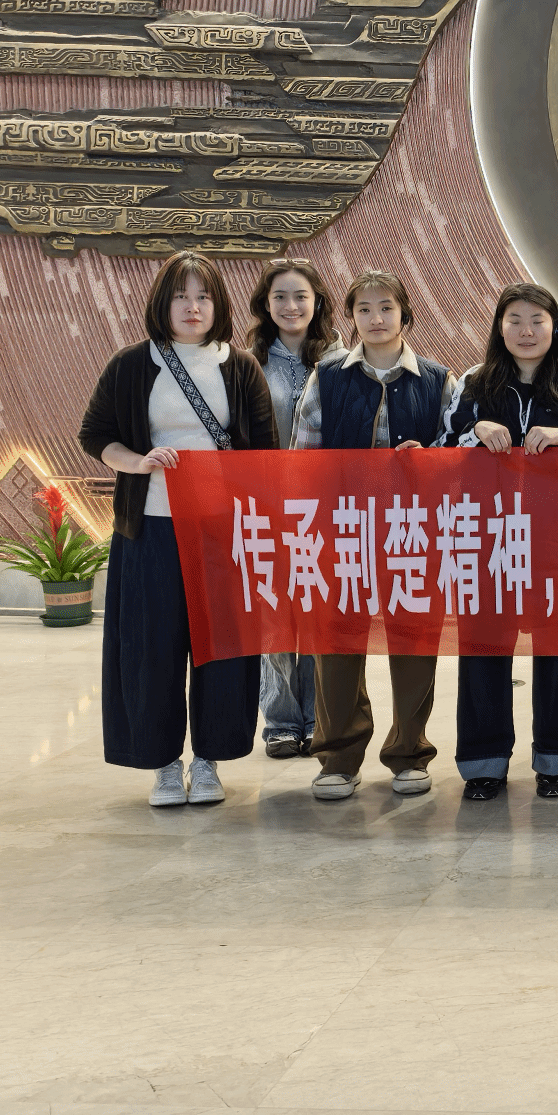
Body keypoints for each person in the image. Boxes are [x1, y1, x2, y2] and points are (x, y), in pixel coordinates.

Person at [79, 252, 278, 808]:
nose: (193, 307)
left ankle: (209, 761)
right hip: (150, 527)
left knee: (221, 649)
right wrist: (138, 462)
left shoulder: (240, 366)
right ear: (161, 303)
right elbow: (95, 435)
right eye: (181, 296)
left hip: (222, 533)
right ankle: (164, 764)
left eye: (204, 296)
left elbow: (265, 453)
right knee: (152, 647)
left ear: (219, 304)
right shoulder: (131, 364)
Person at [291, 270, 455, 802]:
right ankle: (338, 758)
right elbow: (303, 457)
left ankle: (410, 753)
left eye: (386, 307)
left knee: (414, 643)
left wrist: (430, 461)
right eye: (363, 309)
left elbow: (458, 456)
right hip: (343, 531)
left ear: (405, 314)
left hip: (414, 533)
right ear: (351, 318)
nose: (376, 318)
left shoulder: (437, 380)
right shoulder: (327, 377)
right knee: (337, 644)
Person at [442, 282, 558, 800]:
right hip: (487, 537)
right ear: (499, 327)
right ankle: (483, 763)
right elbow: (441, 448)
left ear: (556, 328)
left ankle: (555, 761)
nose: (526, 330)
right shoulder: (473, 382)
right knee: (484, 647)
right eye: (514, 319)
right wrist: (474, 432)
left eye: (538, 320)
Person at [244, 257, 340, 760]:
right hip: (267, 508)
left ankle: (319, 716)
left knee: (320, 614)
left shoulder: (343, 361)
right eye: (279, 296)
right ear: (265, 304)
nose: (291, 306)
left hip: (327, 512)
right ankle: (281, 721)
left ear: (317, 301)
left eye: (301, 296)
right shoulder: (247, 364)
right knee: (275, 614)